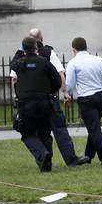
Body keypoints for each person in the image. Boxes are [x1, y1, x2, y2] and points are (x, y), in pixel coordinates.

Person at [10, 29, 90, 167]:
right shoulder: (46, 56)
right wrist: (58, 92)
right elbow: (59, 76)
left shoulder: (19, 62)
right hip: (47, 100)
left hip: (26, 102)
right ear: (40, 41)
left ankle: (44, 158)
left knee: (38, 132)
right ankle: (70, 159)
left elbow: (13, 79)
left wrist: (18, 95)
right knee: (58, 129)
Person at [11, 37, 62, 172]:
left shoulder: (20, 63)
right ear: (36, 47)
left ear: (23, 48)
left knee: (27, 134)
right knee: (45, 133)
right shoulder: (44, 62)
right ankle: (47, 165)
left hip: (26, 104)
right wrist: (49, 90)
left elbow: (12, 65)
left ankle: (41, 154)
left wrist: (20, 50)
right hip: (44, 102)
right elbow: (57, 80)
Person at [65, 37, 102, 165]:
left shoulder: (73, 63)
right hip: (100, 98)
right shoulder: (98, 60)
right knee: (93, 127)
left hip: (86, 99)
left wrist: (68, 96)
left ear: (74, 50)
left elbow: (70, 84)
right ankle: (88, 155)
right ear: (86, 47)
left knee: (94, 129)